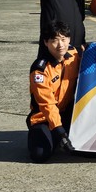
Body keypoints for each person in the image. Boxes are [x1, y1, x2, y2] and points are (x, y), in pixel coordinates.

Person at [27, 21, 80, 163]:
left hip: (68, 113)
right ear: (46, 42)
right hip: (44, 117)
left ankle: (58, 135)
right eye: (54, 40)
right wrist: (60, 132)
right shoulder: (40, 70)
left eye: (63, 39)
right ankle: (40, 134)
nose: (60, 45)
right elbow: (47, 104)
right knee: (39, 155)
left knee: (87, 149)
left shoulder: (74, 55)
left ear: (69, 39)